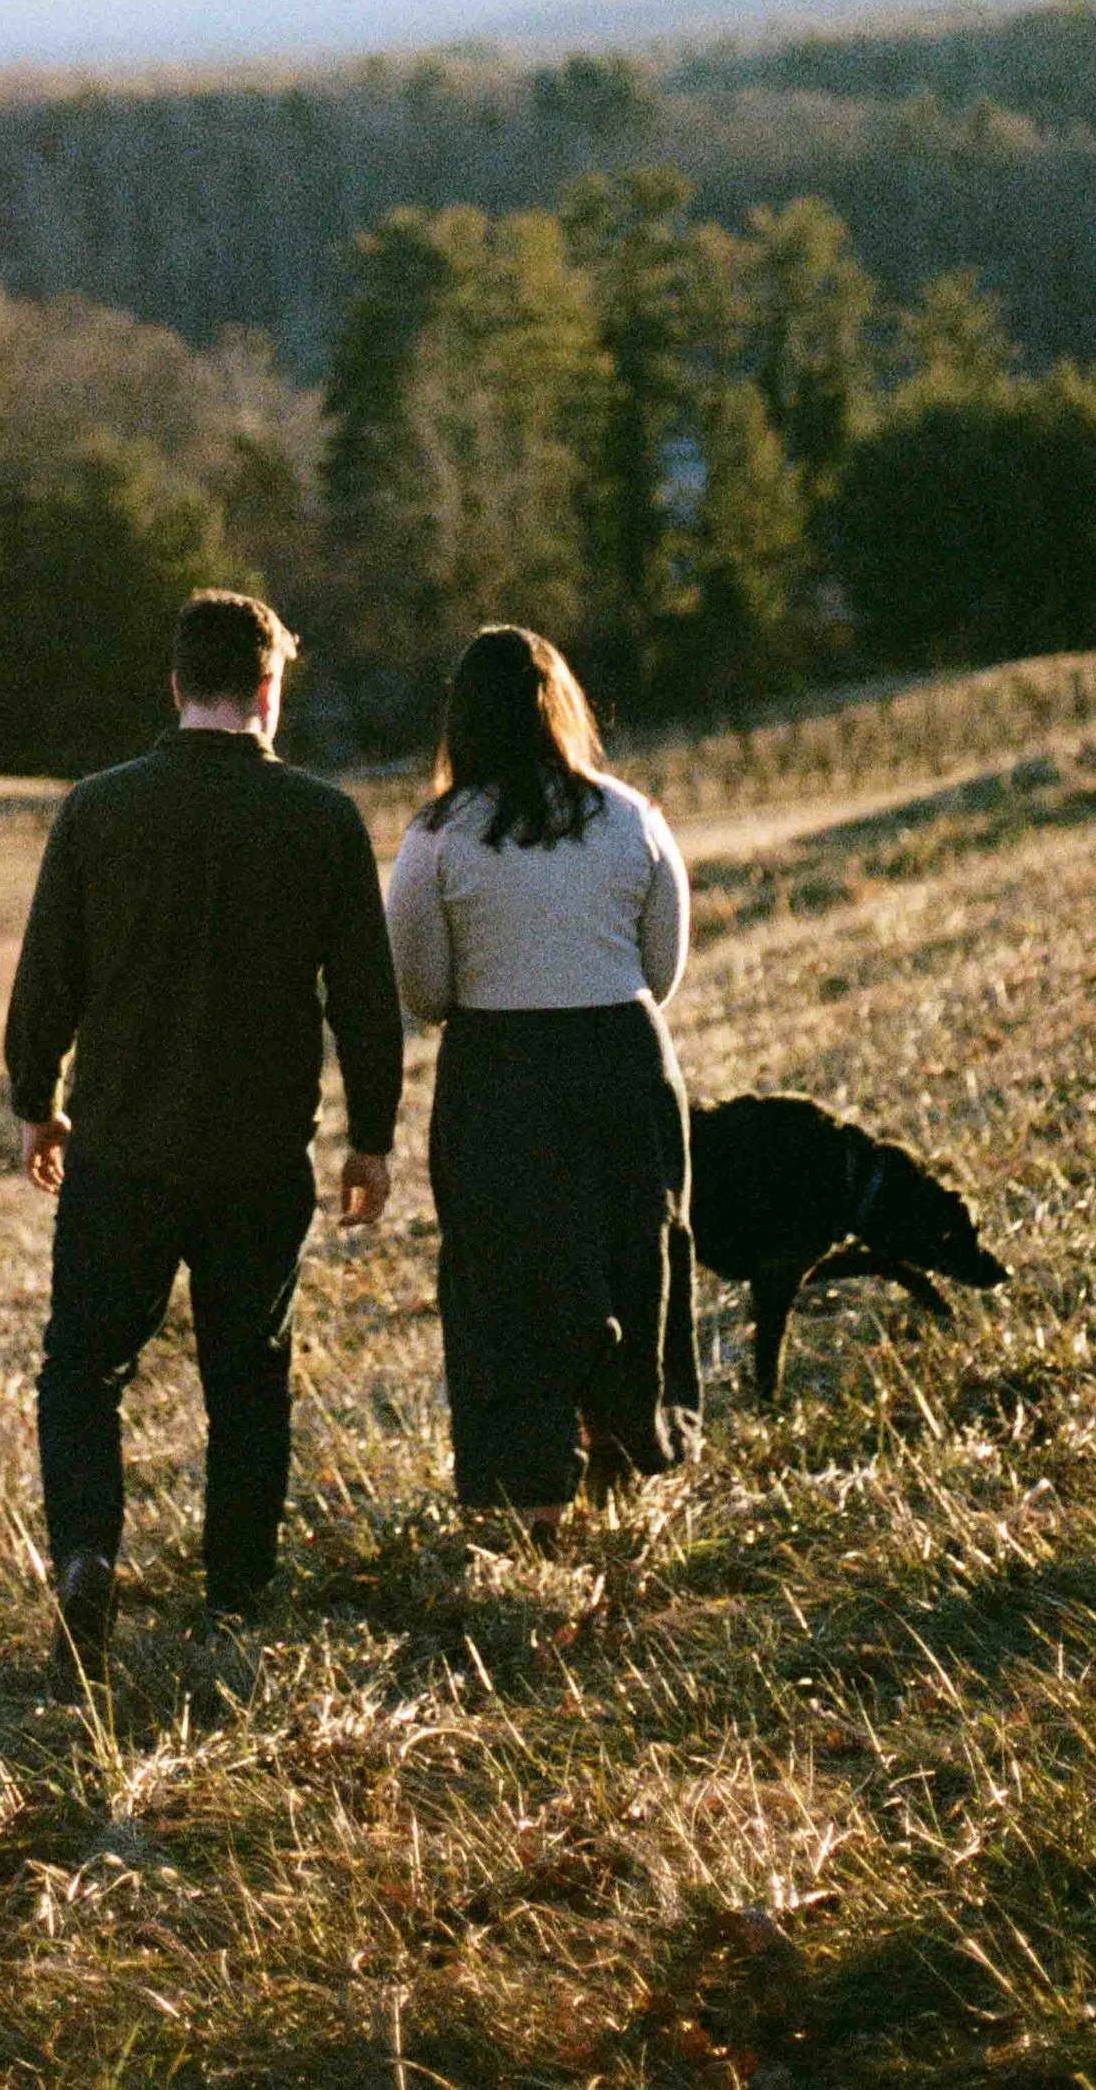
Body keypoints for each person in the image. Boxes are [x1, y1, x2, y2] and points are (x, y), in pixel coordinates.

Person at [4, 588, 404, 1681]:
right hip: (259, 1155)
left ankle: (88, 1557)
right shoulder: (321, 820)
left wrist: (35, 1099)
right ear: (270, 690)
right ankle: (235, 1596)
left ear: (176, 685)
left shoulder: (96, 810)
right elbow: (365, 998)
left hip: (123, 1147)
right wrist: (370, 1135)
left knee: (82, 1369)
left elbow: (49, 977)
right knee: (247, 1372)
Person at [385, 622, 698, 1530]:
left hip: (499, 1073)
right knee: (636, 1253)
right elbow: (663, 967)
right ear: (563, 709)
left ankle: (529, 1493)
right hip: (623, 1060)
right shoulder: (633, 818)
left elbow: (424, 988)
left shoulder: (436, 839)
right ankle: (629, 1443)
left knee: (507, 1280)